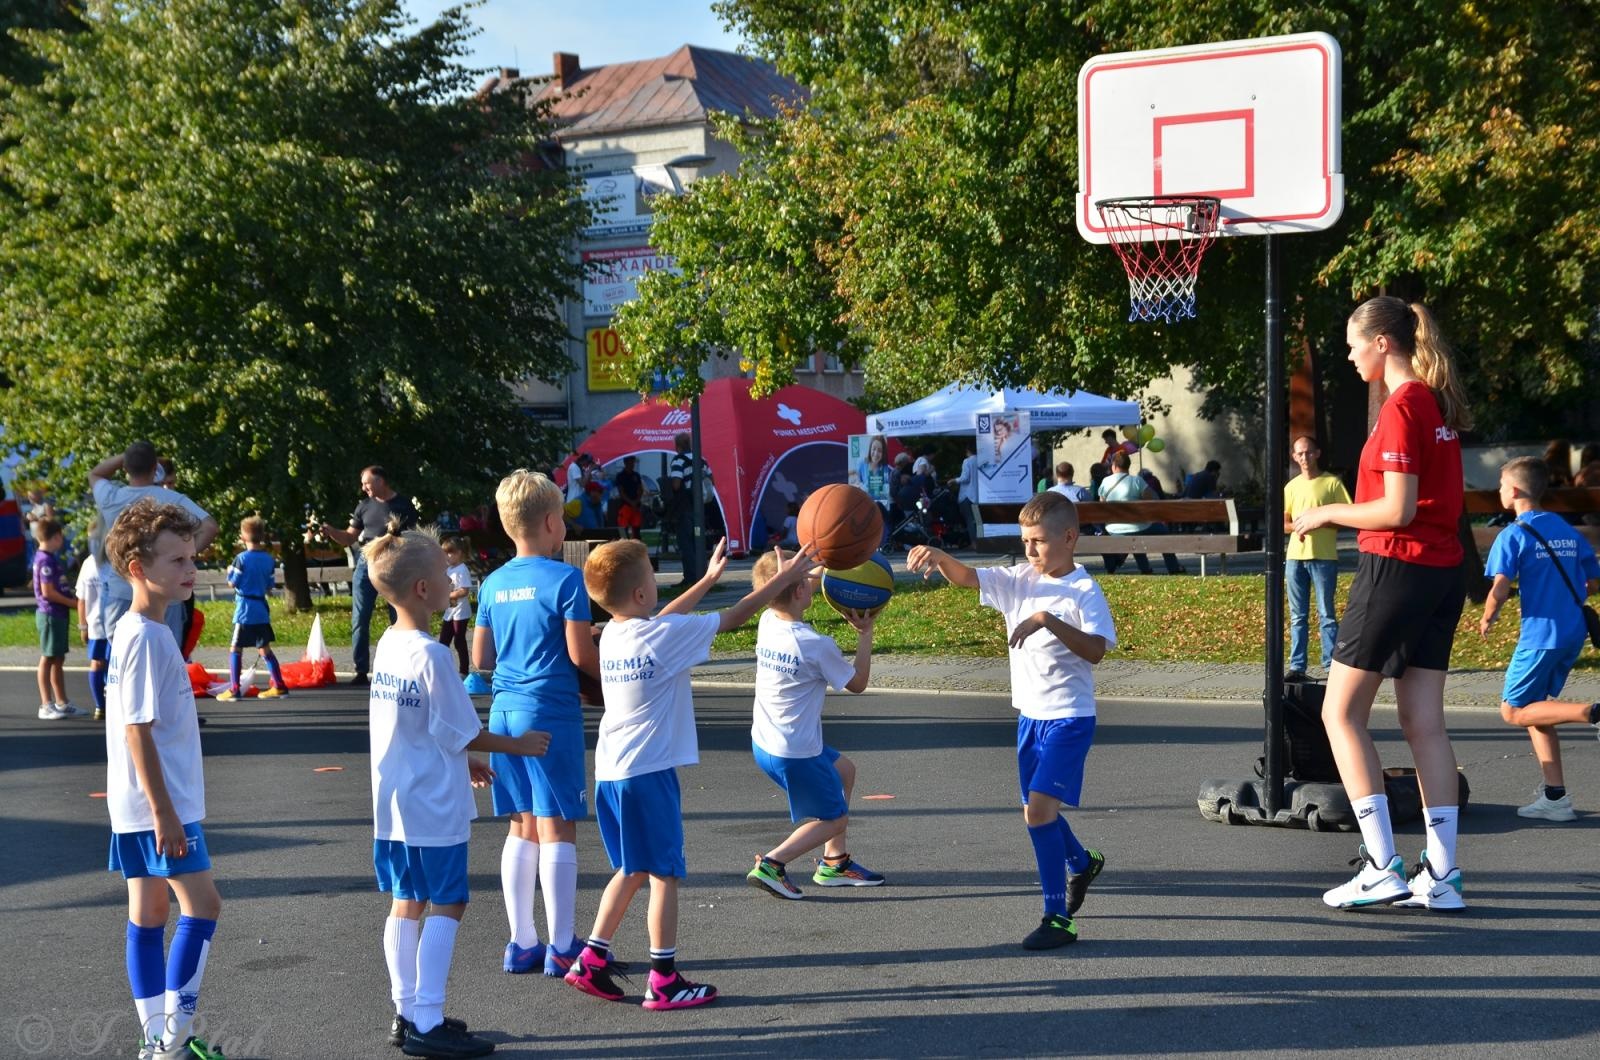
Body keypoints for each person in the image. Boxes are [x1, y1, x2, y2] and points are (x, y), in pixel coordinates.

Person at [564, 537, 817, 1009]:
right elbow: (736, 615)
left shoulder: (619, 632)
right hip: (648, 773)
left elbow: (664, 620)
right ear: (641, 594)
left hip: (614, 770)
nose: (656, 586)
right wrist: (782, 579)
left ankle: (591, 961)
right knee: (664, 875)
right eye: (651, 578)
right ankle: (663, 980)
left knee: (633, 868)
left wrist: (704, 580)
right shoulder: (658, 637)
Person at [1291, 296, 1472, 912]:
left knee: (1339, 715)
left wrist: (1325, 511)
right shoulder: (1434, 403)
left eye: (1352, 343)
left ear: (1383, 343)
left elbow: (1395, 510)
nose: (1347, 354)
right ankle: (1441, 875)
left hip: (1398, 564)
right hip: (1440, 571)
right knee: (1424, 722)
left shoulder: (1402, 407)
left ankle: (1380, 865)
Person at [362, 523, 552, 1059]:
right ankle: (427, 1018)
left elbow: (421, 725)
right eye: (445, 575)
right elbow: (463, 726)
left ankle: (406, 1012)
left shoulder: (390, 645)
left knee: (407, 901)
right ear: (424, 590)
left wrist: (462, 757)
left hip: (395, 800)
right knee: (449, 901)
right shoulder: (433, 655)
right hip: (430, 804)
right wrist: (517, 745)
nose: (454, 582)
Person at [907, 492, 1114, 949]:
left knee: (1038, 813)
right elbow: (967, 578)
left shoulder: (1083, 589)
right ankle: (1081, 862)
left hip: (1068, 718)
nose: (1029, 550)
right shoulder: (1018, 578)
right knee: (1036, 812)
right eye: (1024, 540)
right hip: (1030, 718)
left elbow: (1097, 650)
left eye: (1038, 541)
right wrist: (940, 556)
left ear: (1069, 538)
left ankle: (1057, 918)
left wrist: (1047, 619)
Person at [101, 499, 225, 1059]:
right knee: (204, 907)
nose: (189, 570)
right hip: (158, 806)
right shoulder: (148, 638)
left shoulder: (135, 630)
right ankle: (173, 1036)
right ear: (137, 569)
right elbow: (137, 733)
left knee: (149, 917)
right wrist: (165, 812)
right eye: (176, 560)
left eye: (191, 558)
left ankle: (157, 1042)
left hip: (135, 805)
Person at [472, 470, 600, 978]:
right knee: (558, 825)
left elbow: (481, 656)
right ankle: (563, 943)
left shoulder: (493, 582)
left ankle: (522, 941)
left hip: (504, 709)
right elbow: (578, 653)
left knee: (520, 825)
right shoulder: (566, 578)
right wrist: (604, 664)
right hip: (550, 710)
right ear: (551, 523)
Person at [744, 549, 883, 899]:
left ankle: (834, 863)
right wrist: (865, 633)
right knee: (835, 819)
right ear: (799, 592)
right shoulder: (815, 645)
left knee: (844, 771)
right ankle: (772, 863)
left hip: (766, 741)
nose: (813, 580)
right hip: (795, 752)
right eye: (807, 578)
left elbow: (792, 582)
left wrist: (829, 561)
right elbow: (858, 683)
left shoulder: (768, 620)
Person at [1479, 456, 1600, 822]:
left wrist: (1488, 616)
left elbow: (1500, 585)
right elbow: (1592, 582)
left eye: (1501, 485)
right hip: (1573, 631)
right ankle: (1555, 797)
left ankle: (1594, 713)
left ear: (1514, 491)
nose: (1500, 491)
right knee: (1536, 708)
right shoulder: (1566, 529)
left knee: (1512, 710)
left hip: (1540, 634)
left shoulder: (1513, 534)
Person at [90, 442, 219, 651]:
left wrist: (127, 456)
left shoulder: (111, 497)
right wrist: (185, 556)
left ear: (125, 468)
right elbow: (210, 526)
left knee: (124, 659)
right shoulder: (171, 499)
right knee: (167, 659)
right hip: (165, 590)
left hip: (122, 590)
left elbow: (95, 474)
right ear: (155, 468)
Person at [319, 466, 419, 685]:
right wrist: (331, 531)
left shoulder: (403, 505)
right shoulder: (363, 506)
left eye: (367, 483)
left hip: (395, 562)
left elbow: (413, 538)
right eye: (363, 483)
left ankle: (402, 666)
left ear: (381, 481)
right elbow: (348, 538)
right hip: (367, 561)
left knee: (399, 615)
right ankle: (361, 669)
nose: (364, 487)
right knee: (360, 617)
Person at [1283, 436, 1352, 678]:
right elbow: (1285, 523)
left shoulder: (1331, 483)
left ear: (1318, 453)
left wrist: (1321, 522)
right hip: (1295, 558)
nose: (1304, 458)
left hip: (1323, 557)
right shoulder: (1291, 487)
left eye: (1309, 453)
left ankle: (1330, 663)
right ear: (1294, 457)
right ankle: (1297, 665)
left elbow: (1346, 516)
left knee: (1326, 613)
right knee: (1297, 615)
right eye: (1300, 454)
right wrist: (1301, 526)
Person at [216, 516, 289, 702]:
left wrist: (228, 572)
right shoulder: (268, 559)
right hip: (261, 609)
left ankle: (234, 689)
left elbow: (233, 583)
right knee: (264, 648)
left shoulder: (241, 559)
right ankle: (279, 686)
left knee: (235, 647)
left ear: (243, 536)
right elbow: (270, 585)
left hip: (245, 609)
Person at [1098, 451, 1186, 575]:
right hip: (1138, 526)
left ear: (1114, 466)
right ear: (1128, 466)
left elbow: (1102, 506)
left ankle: (1145, 568)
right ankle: (1173, 567)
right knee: (1161, 531)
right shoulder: (1137, 481)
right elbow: (1153, 501)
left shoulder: (1105, 482)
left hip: (1113, 528)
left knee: (1135, 533)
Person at [32, 517, 83, 719]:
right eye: (60, 536)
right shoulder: (44, 560)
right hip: (50, 614)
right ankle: (46, 704)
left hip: (59, 614)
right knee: (48, 657)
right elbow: (48, 592)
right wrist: (74, 604)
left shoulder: (51, 558)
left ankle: (62, 702)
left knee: (59, 658)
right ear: (55, 537)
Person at [76, 523, 110, 721]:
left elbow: (82, 599)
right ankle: (103, 704)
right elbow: (81, 599)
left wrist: (83, 625)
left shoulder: (88, 563)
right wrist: (83, 625)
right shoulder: (110, 562)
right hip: (107, 623)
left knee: (98, 662)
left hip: (98, 623)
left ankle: (101, 705)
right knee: (109, 663)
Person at [667, 433, 708, 584]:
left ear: (677, 446)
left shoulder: (678, 460)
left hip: (685, 507)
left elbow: (676, 484)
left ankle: (690, 577)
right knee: (699, 541)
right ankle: (703, 575)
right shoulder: (702, 459)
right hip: (701, 507)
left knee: (686, 542)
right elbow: (711, 481)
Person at [439, 538, 474, 678]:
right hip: (450, 611)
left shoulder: (462, 570)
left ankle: (464, 670)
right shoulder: (448, 569)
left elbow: (464, 591)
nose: (446, 556)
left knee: (459, 640)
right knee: (443, 642)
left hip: (460, 611)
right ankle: (442, 670)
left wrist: (448, 594)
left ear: (458, 553)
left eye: (449, 553)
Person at [612, 455, 644, 538]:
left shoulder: (636, 475)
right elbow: (621, 492)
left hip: (636, 506)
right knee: (623, 531)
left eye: (633, 462)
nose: (632, 464)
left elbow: (640, 489)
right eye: (630, 462)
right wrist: (631, 502)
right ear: (625, 463)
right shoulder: (620, 476)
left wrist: (636, 501)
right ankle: (625, 547)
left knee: (636, 530)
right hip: (625, 506)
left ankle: (637, 547)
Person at [956, 445, 979, 547]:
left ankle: (973, 543)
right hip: (978, 496)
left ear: (967, 450)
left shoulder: (967, 461)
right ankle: (981, 542)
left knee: (970, 520)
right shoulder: (983, 460)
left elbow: (965, 478)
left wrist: (954, 480)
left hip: (967, 495)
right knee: (978, 521)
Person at [856, 435, 890, 504]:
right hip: (864, 503)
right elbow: (857, 483)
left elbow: (887, 491)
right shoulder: (862, 464)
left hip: (880, 505)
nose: (876, 453)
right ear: (870, 449)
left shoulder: (885, 468)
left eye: (880, 451)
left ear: (883, 453)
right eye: (874, 449)